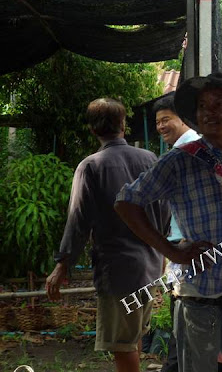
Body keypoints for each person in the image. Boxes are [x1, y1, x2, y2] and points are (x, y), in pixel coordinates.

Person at [114, 72, 222, 372]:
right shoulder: (180, 161)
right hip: (198, 298)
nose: (210, 112)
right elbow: (126, 202)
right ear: (196, 116)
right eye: (202, 106)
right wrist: (171, 251)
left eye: (219, 104)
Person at [46, 98, 170, 372]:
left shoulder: (91, 166)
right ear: (123, 125)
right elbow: (164, 208)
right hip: (150, 266)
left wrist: (62, 264)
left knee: (122, 343)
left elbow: (78, 220)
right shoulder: (150, 159)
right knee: (133, 335)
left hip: (118, 271)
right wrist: (161, 253)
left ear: (92, 129)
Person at [152, 95, 199, 372]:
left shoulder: (187, 151)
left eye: (166, 119)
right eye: (158, 121)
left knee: (184, 326)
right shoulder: (186, 149)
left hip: (189, 251)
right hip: (183, 250)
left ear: (183, 119)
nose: (160, 126)